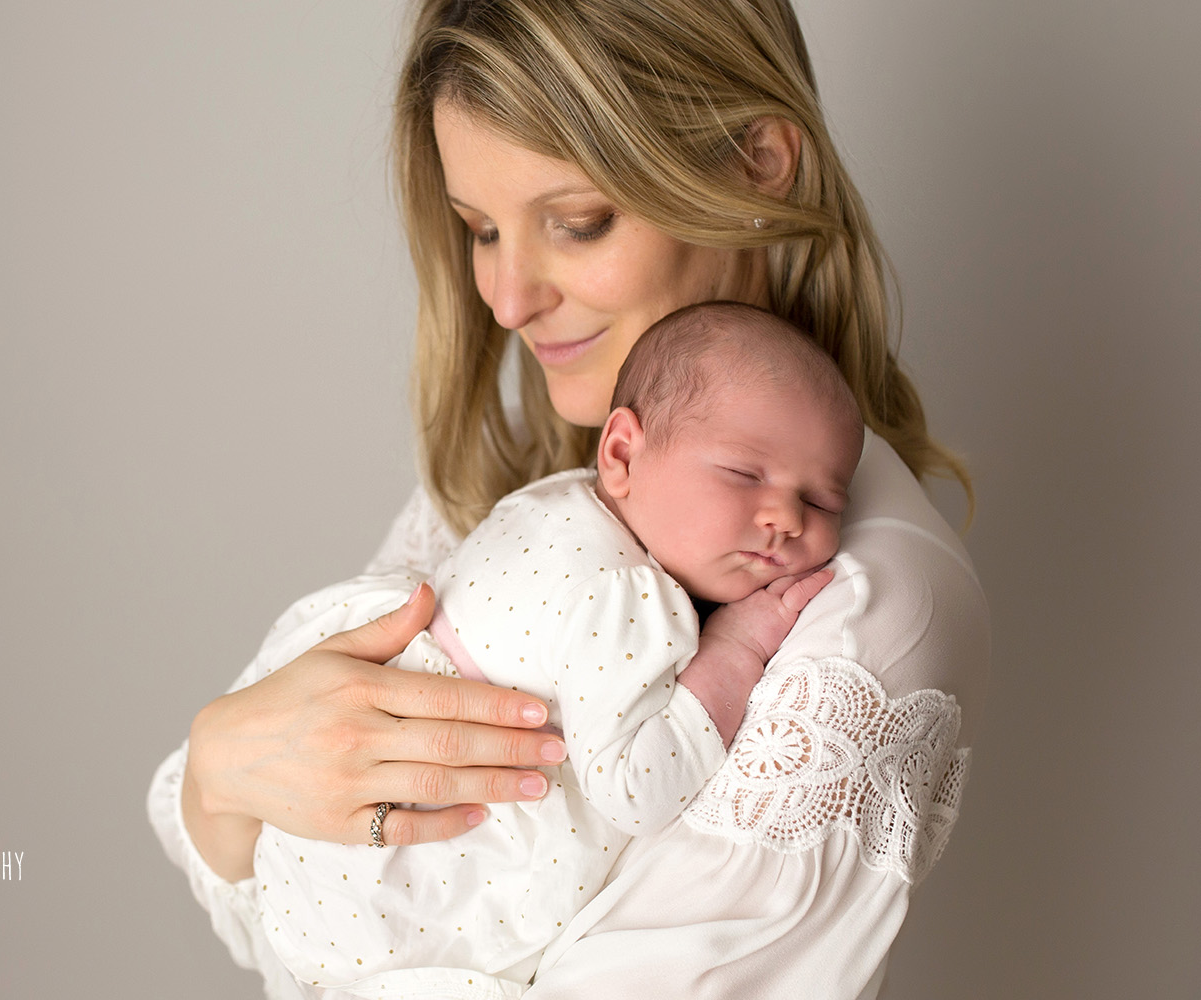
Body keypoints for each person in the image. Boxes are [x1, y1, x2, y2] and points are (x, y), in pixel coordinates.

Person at [148, 2, 990, 997]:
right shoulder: (529, 495)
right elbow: (287, 919)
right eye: (481, 229)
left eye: (577, 223)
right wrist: (222, 763)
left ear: (759, 163)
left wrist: (236, 786)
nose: (506, 298)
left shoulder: (857, 604)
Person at [239, 303, 862, 995]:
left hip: (322, 875)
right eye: (745, 475)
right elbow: (637, 790)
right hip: (408, 904)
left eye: (823, 500)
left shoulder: (554, 505)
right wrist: (738, 648)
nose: (786, 517)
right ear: (622, 453)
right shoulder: (625, 592)